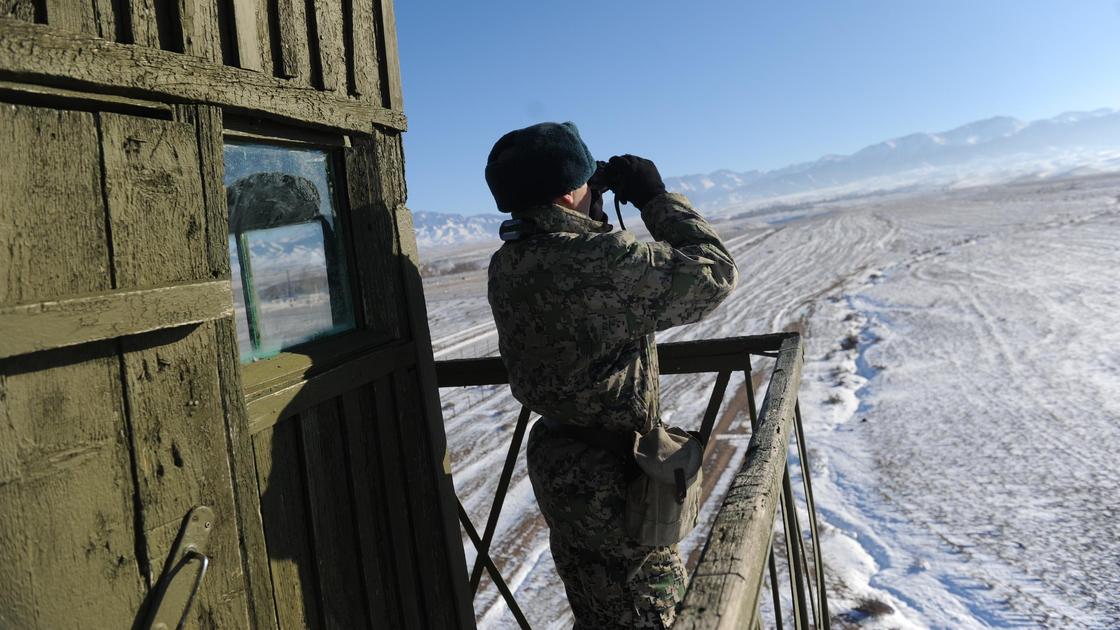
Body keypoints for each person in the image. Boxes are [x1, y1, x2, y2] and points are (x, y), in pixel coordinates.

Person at [485, 121, 738, 628]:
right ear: (565, 193)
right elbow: (714, 275)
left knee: (599, 605)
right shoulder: (598, 258)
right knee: (648, 609)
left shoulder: (508, 262)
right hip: (617, 479)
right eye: (585, 181)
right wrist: (656, 199)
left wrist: (588, 208)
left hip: (562, 466)